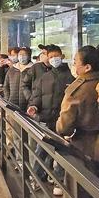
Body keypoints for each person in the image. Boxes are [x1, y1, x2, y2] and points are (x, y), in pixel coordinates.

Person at [27, 45, 74, 188]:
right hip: (46, 119)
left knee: (61, 152)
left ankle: (58, 181)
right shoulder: (45, 77)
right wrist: (34, 106)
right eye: (51, 57)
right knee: (42, 149)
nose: (54, 59)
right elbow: (37, 96)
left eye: (56, 56)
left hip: (62, 121)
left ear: (62, 56)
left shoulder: (70, 77)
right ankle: (37, 177)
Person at [55, 46, 99, 163]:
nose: (73, 66)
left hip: (84, 146)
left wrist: (60, 129)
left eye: (75, 62)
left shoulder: (77, 90)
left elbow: (64, 127)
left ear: (87, 67)